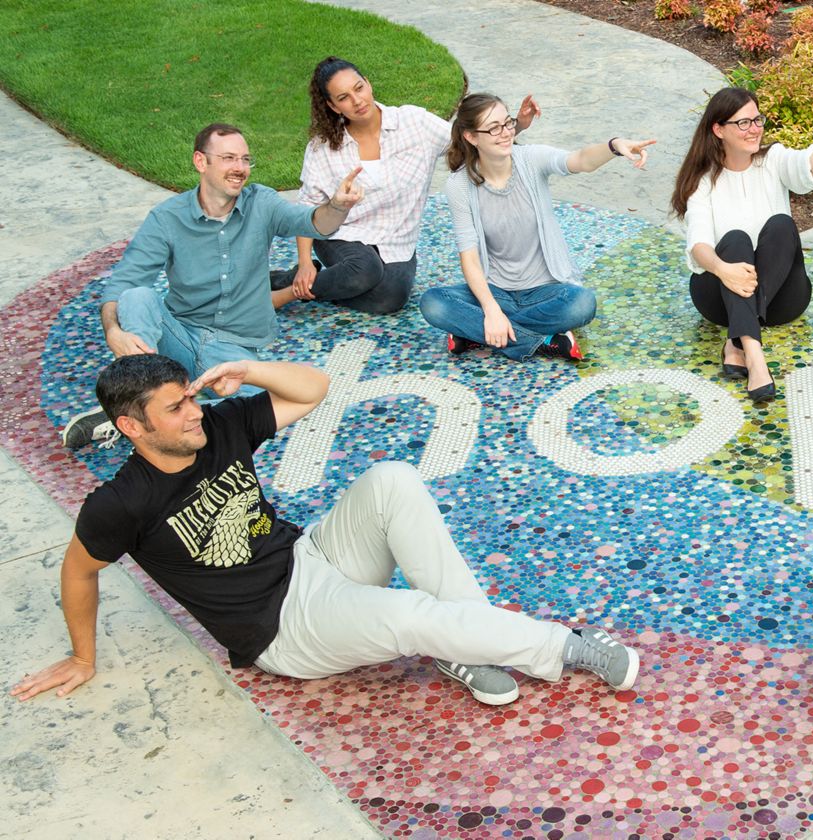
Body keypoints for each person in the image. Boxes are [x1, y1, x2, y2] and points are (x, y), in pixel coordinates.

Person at [13, 354, 640, 708]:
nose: (194, 413)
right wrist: (83, 657)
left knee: (393, 479)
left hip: (310, 557)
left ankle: (468, 646)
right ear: (132, 427)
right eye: (175, 408)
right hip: (283, 628)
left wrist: (249, 369)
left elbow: (314, 390)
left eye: (190, 398)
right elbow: (78, 572)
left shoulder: (218, 428)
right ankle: (568, 647)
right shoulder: (120, 503)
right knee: (411, 613)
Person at [61, 123, 364, 449]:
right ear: (200, 161)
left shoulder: (261, 203)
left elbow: (314, 223)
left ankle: (148, 416)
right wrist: (113, 332)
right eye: (229, 158)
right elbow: (123, 283)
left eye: (245, 159)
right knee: (136, 297)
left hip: (233, 351)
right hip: (178, 338)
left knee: (264, 406)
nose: (240, 168)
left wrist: (337, 206)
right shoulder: (167, 218)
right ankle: (138, 400)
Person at [671, 87, 813, 401]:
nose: (755, 129)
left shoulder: (772, 160)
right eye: (743, 123)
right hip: (719, 299)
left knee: (781, 224)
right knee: (734, 241)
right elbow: (699, 246)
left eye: (757, 120)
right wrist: (723, 270)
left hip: (779, 299)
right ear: (718, 129)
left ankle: (736, 341)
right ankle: (754, 354)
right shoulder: (703, 181)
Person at [272, 57, 541, 314]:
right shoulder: (322, 147)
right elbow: (306, 207)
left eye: (359, 88)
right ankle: (288, 292)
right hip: (341, 234)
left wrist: (517, 125)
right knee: (364, 269)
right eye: (343, 97)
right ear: (333, 106)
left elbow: (469, 141)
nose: (357, 100)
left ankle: (298, 280)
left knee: (391, 298)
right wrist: (305, 263)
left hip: (396, 240)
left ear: (368, 84)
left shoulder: (414, 123)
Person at [417, 93, 655, 363]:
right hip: (495, 291)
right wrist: (491, 309)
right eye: (494, 128)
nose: (506, 133)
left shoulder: (531, 159)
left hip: (546, 291)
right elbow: (469, 258)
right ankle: (543, 341)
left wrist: (614, 146)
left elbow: (580, 160)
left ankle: (476, 331)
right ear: (471, 137)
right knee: (433, 303)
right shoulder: (459, 185)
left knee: (582, 304)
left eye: (507, 123)